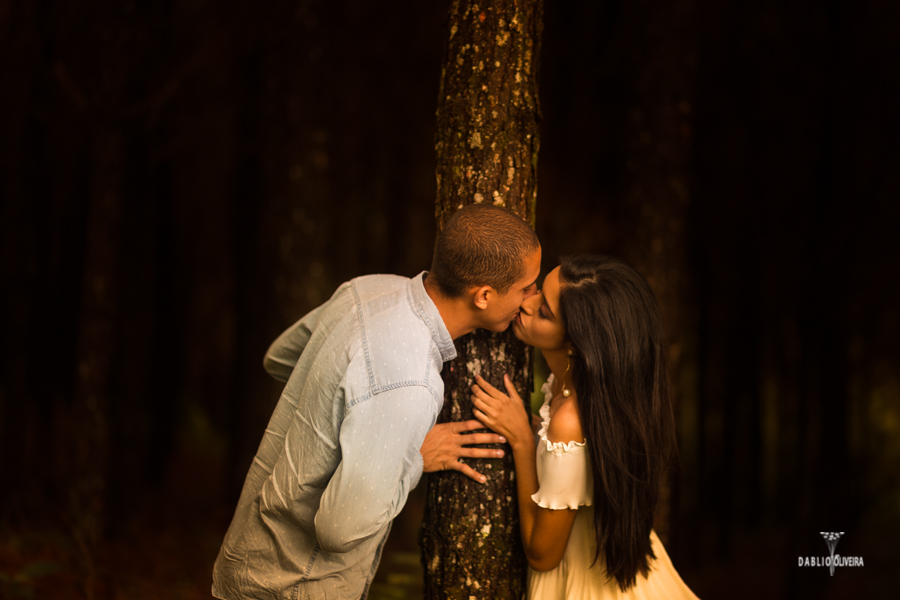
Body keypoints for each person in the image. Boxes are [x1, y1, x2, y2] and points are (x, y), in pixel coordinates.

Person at [212, 204, 541, 600]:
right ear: (484, 296)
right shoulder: (411, 382)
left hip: (244, 563)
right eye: (526, 287)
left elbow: (280, 357)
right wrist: (414, 457)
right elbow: (339, 531)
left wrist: (336, 408)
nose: (530, 300)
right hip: (292, 586)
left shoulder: (368, 289)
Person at [472, 255, 700, 599]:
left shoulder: (571, 419)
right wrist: (534, 427)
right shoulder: (597, 396)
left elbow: (542, 555)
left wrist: (521, 439)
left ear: (577, 344)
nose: (527, 303)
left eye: (545, 312)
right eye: (538, 290)